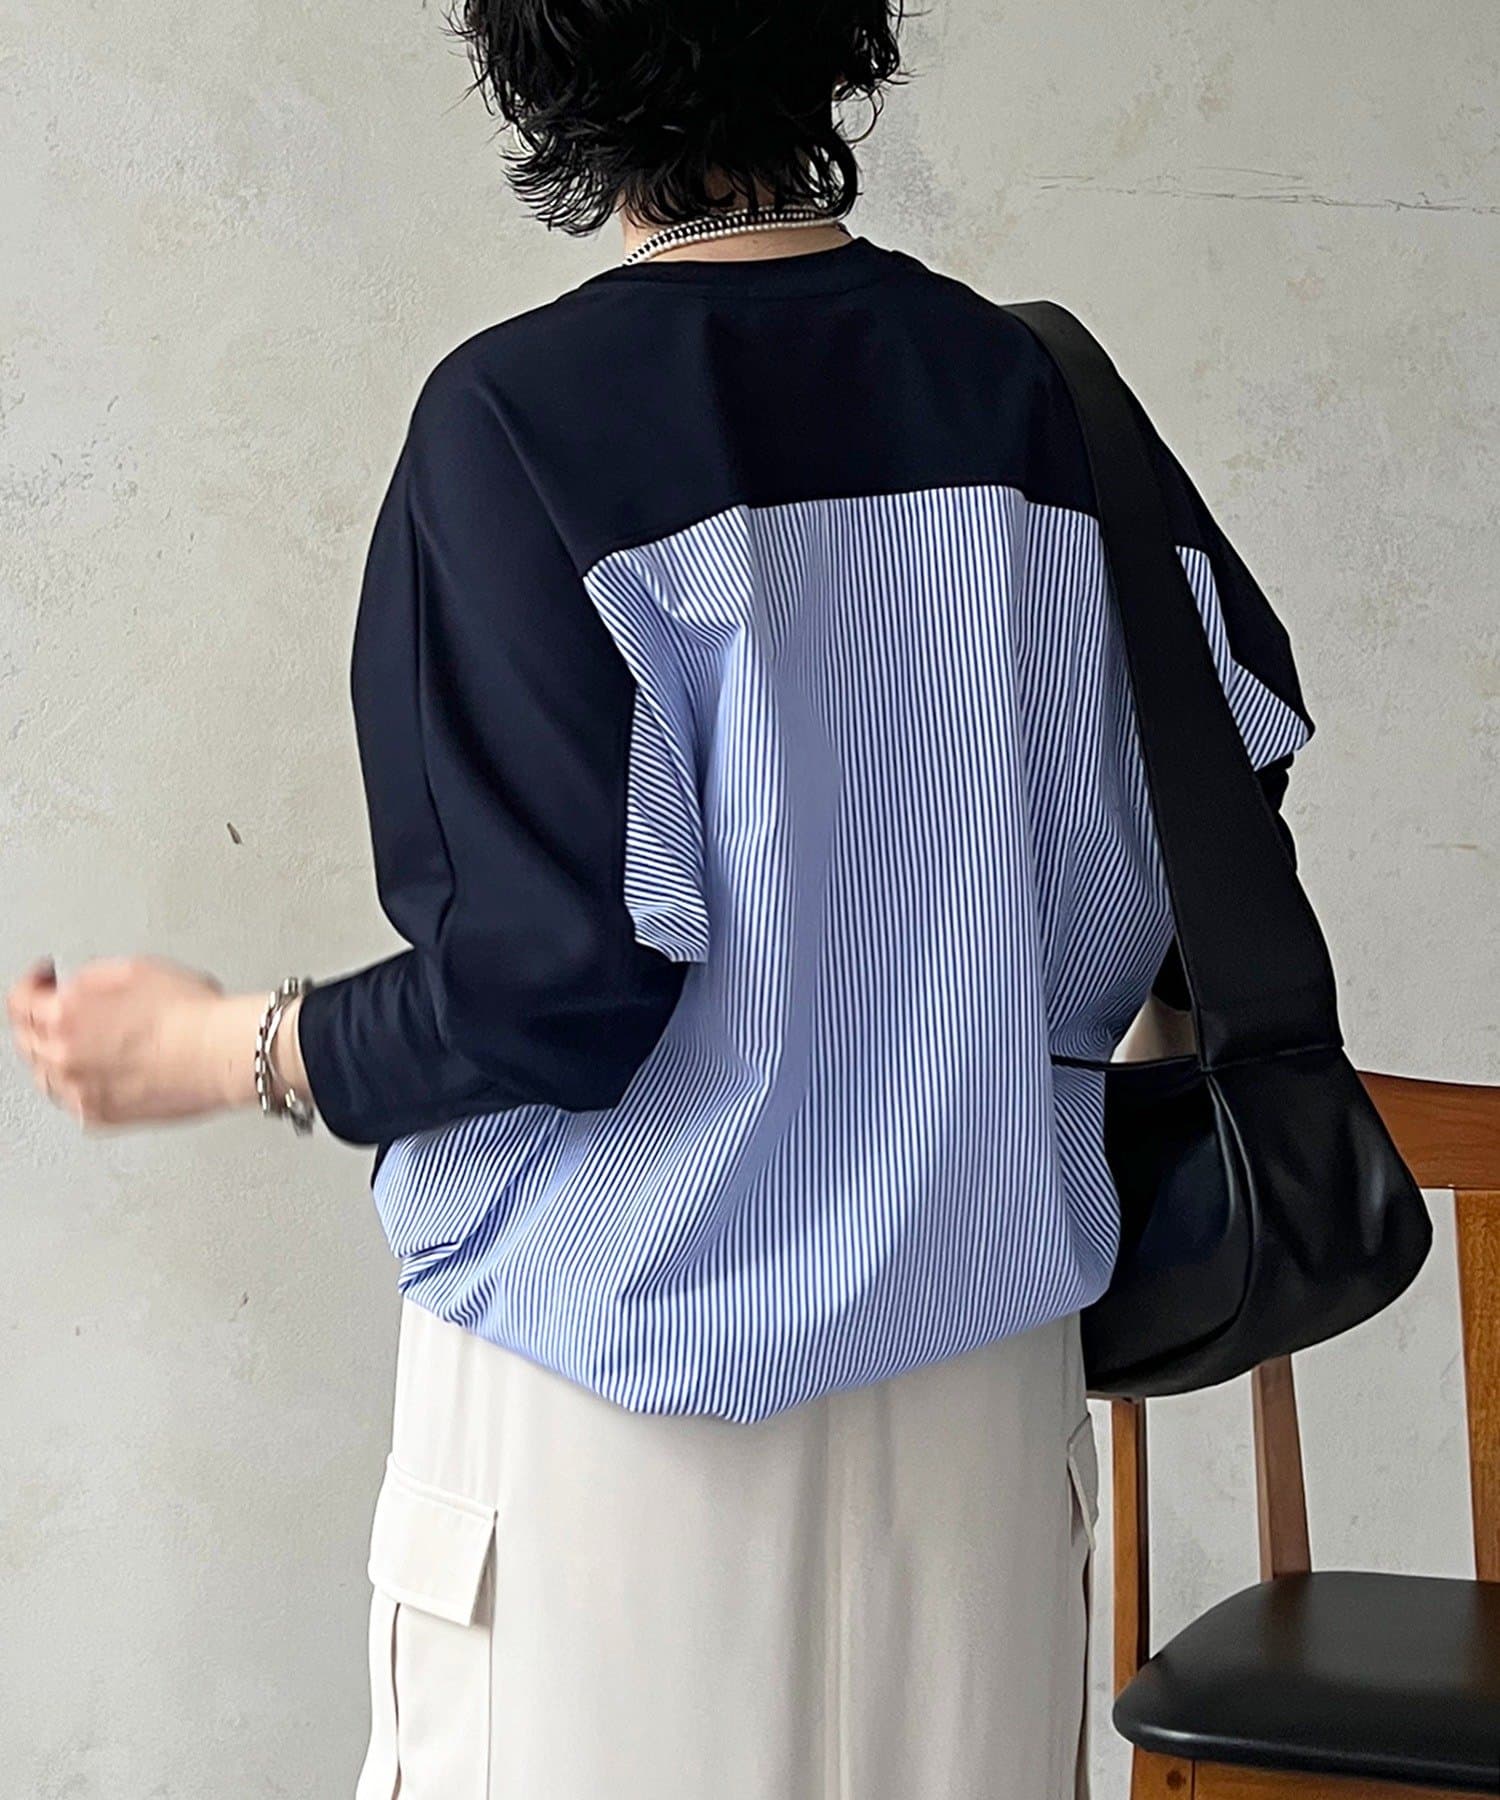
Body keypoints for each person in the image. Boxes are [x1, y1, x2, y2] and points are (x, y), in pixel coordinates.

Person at [6, 3, 1315, 1795]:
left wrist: (228, 1046)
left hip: (614, 1455)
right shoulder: (1042, 405)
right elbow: (1226, 785)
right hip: (984, 1435)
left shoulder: (519, 424)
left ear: (541, 58)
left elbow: (550, 987)